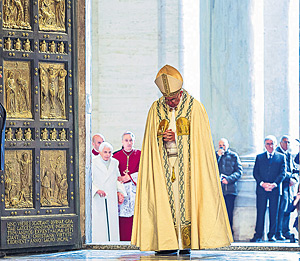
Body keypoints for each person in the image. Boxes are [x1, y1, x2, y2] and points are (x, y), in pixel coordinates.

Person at [131, 65, 232, 256]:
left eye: (173, 98)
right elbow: (151, 142)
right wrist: (162, 137)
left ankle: (186, 242)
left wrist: (176, 138)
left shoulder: (195, 108)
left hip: (187, 169)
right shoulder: (155, 108)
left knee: (185, 203)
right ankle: (166, 242)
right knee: (164, 203)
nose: (170, 102)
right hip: (163, 168)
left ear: (181, 92)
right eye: (167, 99)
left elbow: (200, 144)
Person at [250, 135, 286, 242]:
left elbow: (282, 173)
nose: (270, 146)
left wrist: (274, 184)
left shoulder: (281, 157)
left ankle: (272, 235)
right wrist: (262, 184)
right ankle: (258, 235)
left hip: (275, 189)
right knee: (260, 211)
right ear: (265, 145)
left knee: (274, 212)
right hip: (262, 189)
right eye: (268, 144)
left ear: (276, 145)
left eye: (272, 144)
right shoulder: (259, 157)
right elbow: (255, 173)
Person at [92, 142, 126, 242]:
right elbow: (88, 180)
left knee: (112, 221)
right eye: (105, 152)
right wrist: (96, 190)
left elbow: (118, 178)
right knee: (100, 221)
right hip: (98, 197)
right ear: (100, 152)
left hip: (111, 196)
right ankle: (99, 242)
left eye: (109, 152)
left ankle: (113, 242)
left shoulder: (115, 162)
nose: (107, 154)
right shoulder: (93, 162)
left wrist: (120, 192)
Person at [113, 131, 141, 241]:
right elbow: (113, 174)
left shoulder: (140, 154)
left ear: (134, 141)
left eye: (131, 140)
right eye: (126, 140)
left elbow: (145, 171)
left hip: (135, 189)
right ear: (122, 142)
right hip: (122, 190)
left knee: (135, 216)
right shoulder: (115, 156)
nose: (129, 143)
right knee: (122, 217)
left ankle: (136, 240)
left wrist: (130, 177)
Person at [216, 138, 243, 236]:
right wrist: (218, 157)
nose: (221, 146)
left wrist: (229, 179)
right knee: (218, 214)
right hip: (218, 190)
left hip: (230, 190)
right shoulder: (216, 156)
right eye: (220, 145)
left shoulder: (233, 156)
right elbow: (210, 168)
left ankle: (228, 234)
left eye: (223, 144)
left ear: (227, 145)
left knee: (229, 213)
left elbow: (239, 171)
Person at [275, 135, 298, 240]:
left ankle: (286, 230)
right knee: (281, 209)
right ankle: (278, 232)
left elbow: (293, 169)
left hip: (289, 187)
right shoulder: (277, 153)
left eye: (288, 142)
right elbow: (280, 171)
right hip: (281, 186)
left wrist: (294, 178)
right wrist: (289, 178)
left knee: (289, 208)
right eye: (285, 142)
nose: (287, 144)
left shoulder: (289, 154)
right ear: (280, 143)